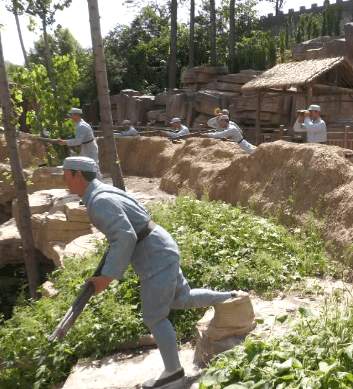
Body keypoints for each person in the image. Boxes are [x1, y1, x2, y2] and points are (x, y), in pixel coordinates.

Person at [61, 156, 242, 388]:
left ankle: (174, 372)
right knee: (182, 298)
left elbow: (124, 235)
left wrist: (106, 278)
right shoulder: (106, 192)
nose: (64, 180)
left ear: (77, 175)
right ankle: (229, 298)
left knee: (154, 316)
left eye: (66, 175)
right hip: (162, 246)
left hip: (154, 255)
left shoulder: (99, 201)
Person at [58, 108, 102, 181]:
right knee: (83, 165)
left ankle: (100, 184)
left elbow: (78, 141)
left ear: (77, 115)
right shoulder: (80, 124)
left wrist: (64, 142)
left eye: (72, 115)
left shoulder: (81, 126)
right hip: (86, 146)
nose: (71, 117)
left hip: (89, 148)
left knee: (94, 166)